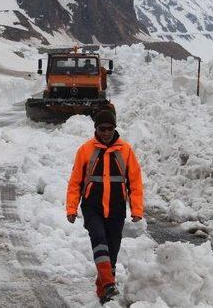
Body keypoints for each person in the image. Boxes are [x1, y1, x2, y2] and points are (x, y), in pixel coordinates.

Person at [66, 110, 144, 304]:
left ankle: (103, 292)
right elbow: (75, 182)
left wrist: (136, 210)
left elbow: (135, 182)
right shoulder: (85, 150)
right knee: (99, 239)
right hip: (92, 207)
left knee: (112, 250)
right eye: (103, 129)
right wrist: (72, 208)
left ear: (115, 128)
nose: (107, 132)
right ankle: (109, 284)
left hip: (116, 209)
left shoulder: (125, 150)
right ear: (96, 129)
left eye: (110, 129)